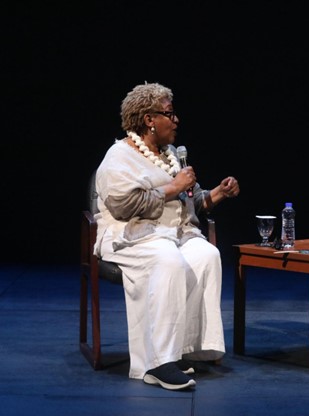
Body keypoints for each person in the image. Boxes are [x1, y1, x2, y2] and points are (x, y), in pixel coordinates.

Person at [94, 82, 240, 391]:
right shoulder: (118, 156)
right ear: (149, 119)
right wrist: (173, 187)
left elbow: (193, 201)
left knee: (206, 255)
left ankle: (185, 349)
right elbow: (124, 206)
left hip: (172, 234)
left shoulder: (172, 155)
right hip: (128, 235)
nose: (176, 121)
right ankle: (157, 363)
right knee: (167, 258)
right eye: (169, 114)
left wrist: (219, 193)